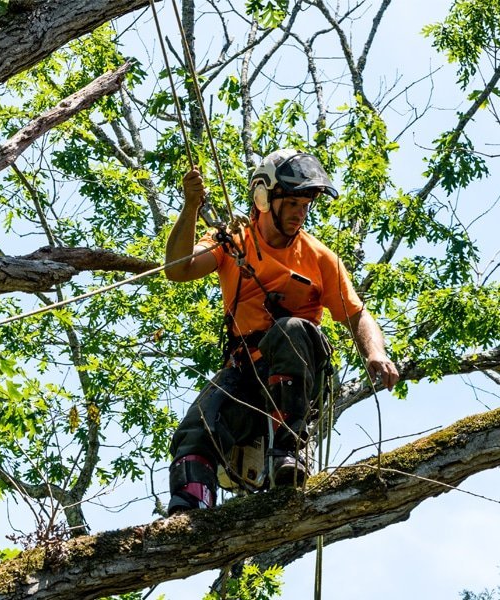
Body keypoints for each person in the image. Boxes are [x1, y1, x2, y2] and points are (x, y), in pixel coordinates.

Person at [163, 148, 399, 515]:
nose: (300, 212)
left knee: (289, 330)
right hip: (246, 373)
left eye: (305, 204)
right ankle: (190, 509)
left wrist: (375, 353)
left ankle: (288, 452)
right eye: (291, 202)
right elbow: (179, 269)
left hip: (296, 381)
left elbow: (358, 315)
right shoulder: (233, 239)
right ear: (263, 197)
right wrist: (191, 206)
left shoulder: (320, 258)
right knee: (198, 426)